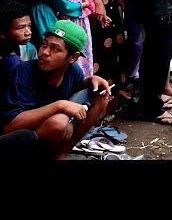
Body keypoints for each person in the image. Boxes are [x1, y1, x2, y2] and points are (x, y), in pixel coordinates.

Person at [1, 20, 111, 159]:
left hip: (51, 137)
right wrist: (59, 105)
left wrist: (90, 81)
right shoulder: (22, 72)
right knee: (58, 122)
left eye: (55, 49)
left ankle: (62, 153)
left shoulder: (73, 71)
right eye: (44, 44)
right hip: (19, 141)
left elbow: (77, 90)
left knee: (101, 98)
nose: (44, 52)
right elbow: (9, 127)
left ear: (73, 57)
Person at [59, 0, 95, 77]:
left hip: (81, 22)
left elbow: (89, 1)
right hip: (66, 21)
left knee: (83, 47)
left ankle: (85, 74)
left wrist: (92, 9)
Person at [0, 0, 33, 95]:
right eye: (21, 27)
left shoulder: (25, 48)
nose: (28, 32)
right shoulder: (12, 62)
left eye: (29, 26)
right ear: (3, 33)